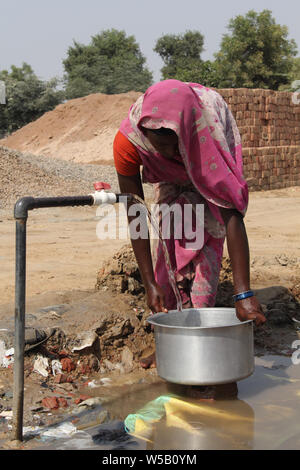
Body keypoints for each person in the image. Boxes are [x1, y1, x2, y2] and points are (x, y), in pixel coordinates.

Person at [113, 79, 266, 374]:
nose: (171, 154)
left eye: (175, 145)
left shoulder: (205, 130)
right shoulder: (129, 143)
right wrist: (149, 283)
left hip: (204, 152)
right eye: (162, 147)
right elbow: (135, 212)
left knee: (208, 246)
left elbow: (230, 212)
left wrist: (244, 294)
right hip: (169, 172)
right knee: (168, 240)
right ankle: (170, 345)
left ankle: (202, 344)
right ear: (144, 133)